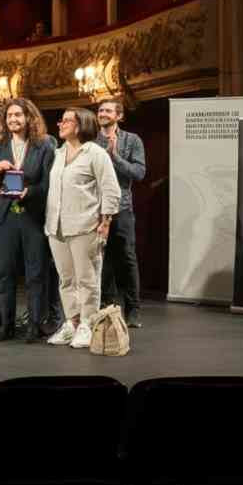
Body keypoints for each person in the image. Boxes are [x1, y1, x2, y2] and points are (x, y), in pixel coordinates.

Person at [44, 107, 121, 349]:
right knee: (66, 279)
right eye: (62, 120)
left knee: (86, 279)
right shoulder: (58, 153)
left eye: (67, 121)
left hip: (84, 225)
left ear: (80, 126)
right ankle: (72, 322)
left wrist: (106, 220)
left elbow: (110, 189)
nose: (61, 124)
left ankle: (88, 324)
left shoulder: (95, 153)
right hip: (56, 226)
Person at [0, 97, 55, 342]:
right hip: (5, 216)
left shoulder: (44, 144)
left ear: (28, 118)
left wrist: (30, 192)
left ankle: (35, 325)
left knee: (35, 274)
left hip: (32, 215)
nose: (13, 119)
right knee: (4, 273)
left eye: (18, 115)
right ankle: (6, 325)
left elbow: (48, 182)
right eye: (9, 116)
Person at [95, 98, 146, 328]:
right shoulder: (91, 139)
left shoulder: (132, 140)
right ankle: (106, 306)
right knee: (101, 259)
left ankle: (133, 309)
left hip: (122, 208)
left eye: (108, 110)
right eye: (100, 110)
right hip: (96, 208)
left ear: (119, 115)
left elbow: (139, 173)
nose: (103, 113)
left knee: (126, 258)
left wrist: (114, 156)